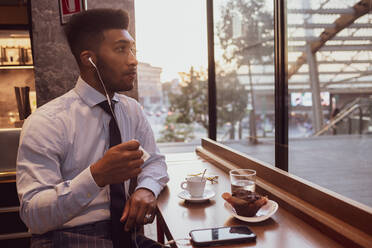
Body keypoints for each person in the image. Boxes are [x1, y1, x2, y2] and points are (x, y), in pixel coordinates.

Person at [16, 8, 169, 248]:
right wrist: (96, 176)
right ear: (89, 59)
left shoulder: (132, 110)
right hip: (66, 237)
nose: (133, 59)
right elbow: (33, 216)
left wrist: (146, 189)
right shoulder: (47, 122)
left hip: (127, 233)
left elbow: (155, 162)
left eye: (132, 49)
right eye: (121, 49)